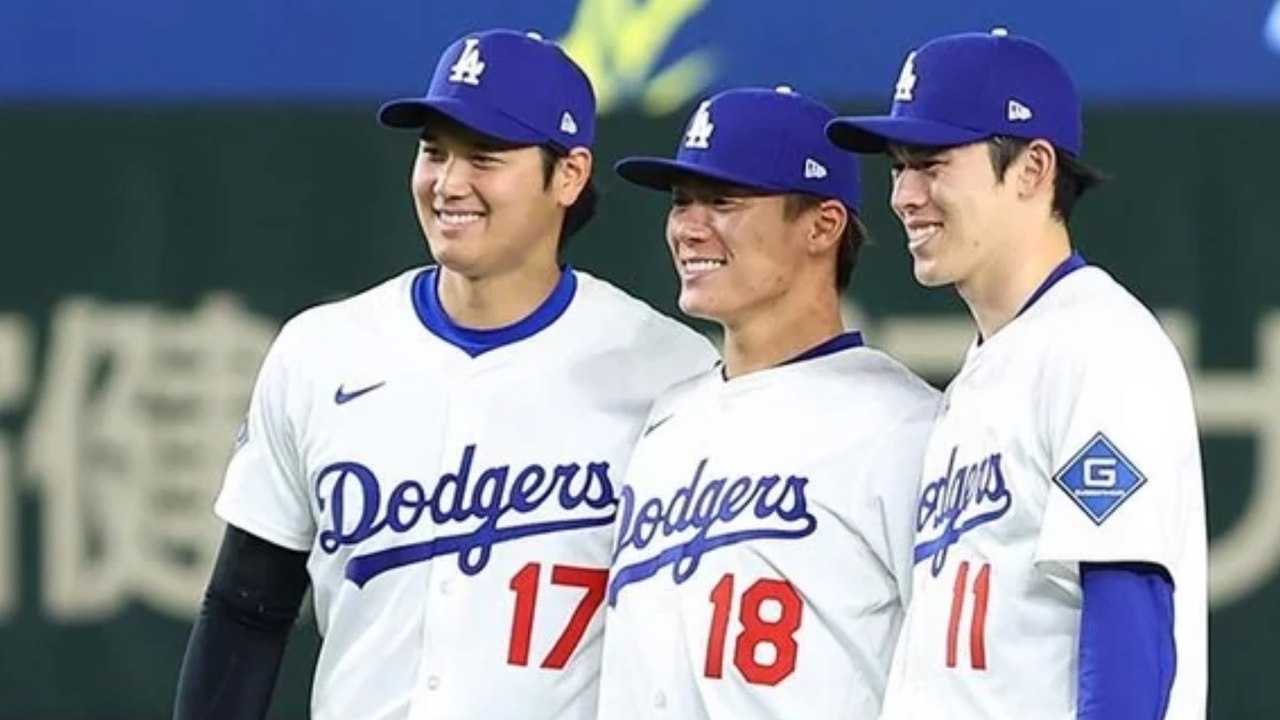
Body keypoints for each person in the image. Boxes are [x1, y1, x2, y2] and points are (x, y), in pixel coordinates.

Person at [172, 28, 717, 720]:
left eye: (485, 157)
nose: (449, 183)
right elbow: (247, 606)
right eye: (434, 152)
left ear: (570, 175)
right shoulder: (322, 351)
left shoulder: (673, 373)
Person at [825, 28, 1207, 720]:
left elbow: (1129, 612)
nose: (904, 195)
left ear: (1032, 169)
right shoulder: (992, 365)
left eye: (932, 161)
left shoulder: (1098, 344)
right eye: (897, 168)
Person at [594, 85, 939, 720]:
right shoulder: (668, 421)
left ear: (822, 225)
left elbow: (952, 679)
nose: (689, 228)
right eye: (681, 202)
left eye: (723, 201)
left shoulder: (905, 428)